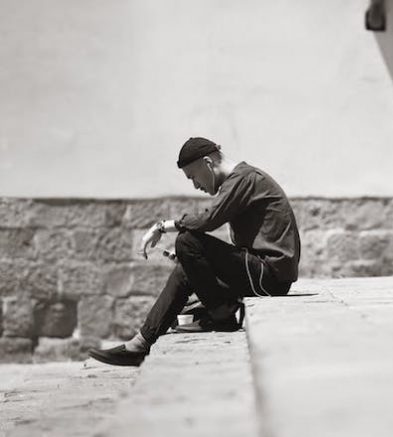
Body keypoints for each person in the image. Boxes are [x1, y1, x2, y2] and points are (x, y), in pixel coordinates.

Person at [89, 137, 301, 366]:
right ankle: (141, 342)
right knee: (184, 267)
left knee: (187, 242)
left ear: (208, 163)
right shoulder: (242, 179)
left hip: (268, 277)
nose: (195, 186)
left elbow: (208, 220)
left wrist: (163, 226)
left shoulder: (244, 179)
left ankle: (222, 314)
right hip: (261, 273)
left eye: (192, 177)